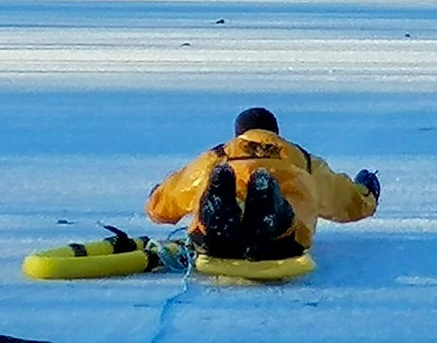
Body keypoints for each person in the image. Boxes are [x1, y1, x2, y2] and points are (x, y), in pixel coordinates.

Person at [146, 107, 380, 261]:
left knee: (217, 184)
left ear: (239, 134)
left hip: (214, 245)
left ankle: (218, 218)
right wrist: (367, 191)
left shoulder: (217, 157)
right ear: (276, 133)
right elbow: (345, 200)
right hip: (285, 245)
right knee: (290, 203)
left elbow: (175, 195)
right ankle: (273, 216)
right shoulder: (303, 160)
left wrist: (156, 198)